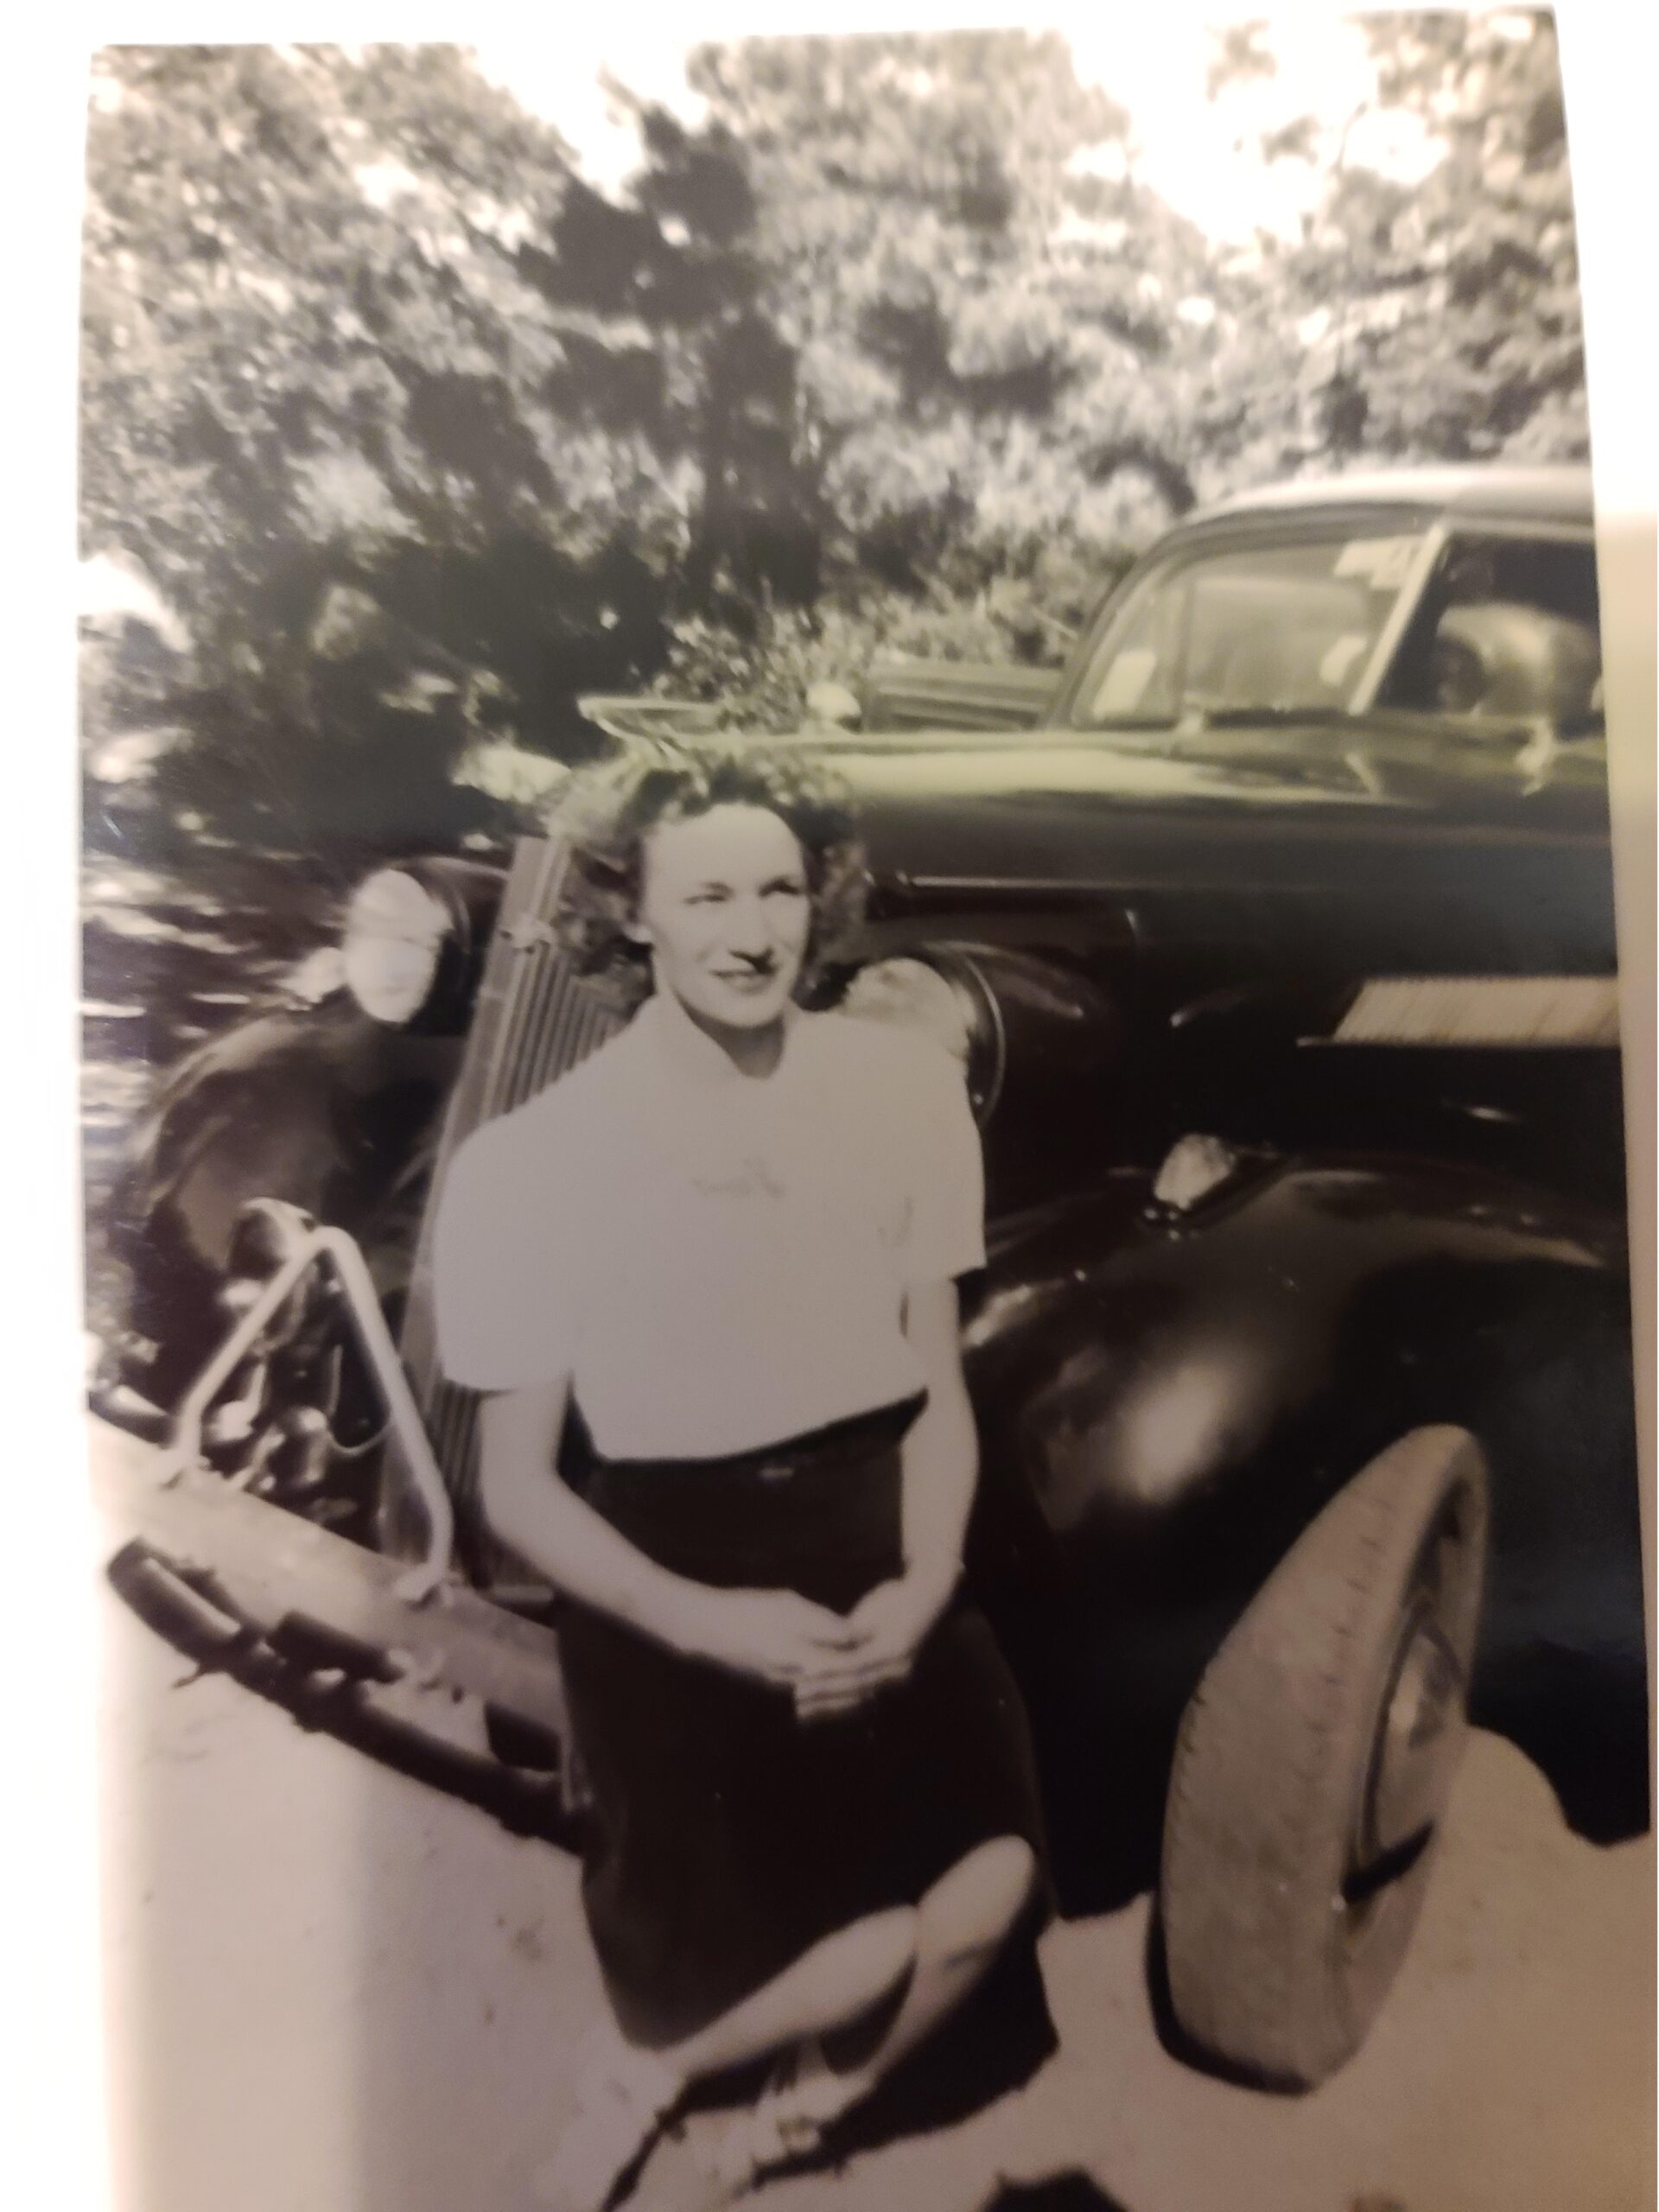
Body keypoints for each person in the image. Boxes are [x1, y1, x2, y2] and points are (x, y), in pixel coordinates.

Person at [431, 743, 1048, 2209]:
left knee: (984, 1893)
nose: (754, 929)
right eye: (706, 893)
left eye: (782, 886)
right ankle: (646, 2075)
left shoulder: (903, 1094)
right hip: (675, 1573)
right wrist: (717, 1625)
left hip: (885, 1540)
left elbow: (938, 1391)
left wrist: (927, 1584)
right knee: (849, 1942)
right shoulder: (534, 1163)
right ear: (630, 914)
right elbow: (515, 1491)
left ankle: (788, 2117)